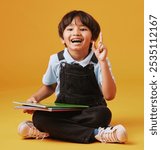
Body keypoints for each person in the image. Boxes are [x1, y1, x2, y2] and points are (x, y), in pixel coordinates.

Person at [18, 10, 127, 144]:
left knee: (104, 115)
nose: (76, 32)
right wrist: (34, 99)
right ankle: (98, 133)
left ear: (93, 37)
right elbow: (50, 86)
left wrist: (103, 62)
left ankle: (47, 130)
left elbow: (109, 95)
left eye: (83, 29)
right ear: (62, 38)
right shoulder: (56, 60)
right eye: (70, 29)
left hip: (90, 112)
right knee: (39, 117)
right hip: (64, 111)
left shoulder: (99, 60)